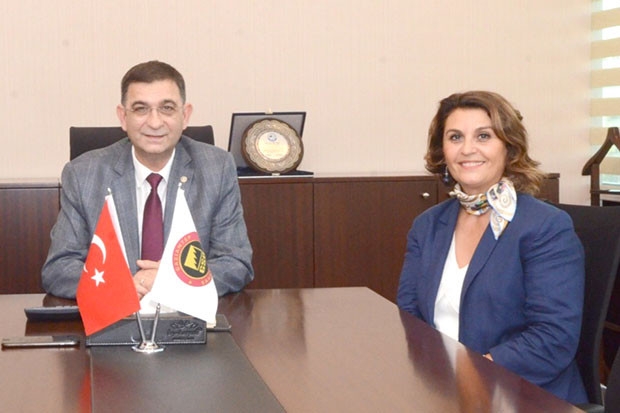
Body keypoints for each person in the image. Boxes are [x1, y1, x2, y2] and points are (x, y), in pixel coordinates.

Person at [397, 91, 587, 404]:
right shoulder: (427, 226)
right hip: (443, 391)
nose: (467, 149)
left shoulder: (545, 226)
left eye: (483, 136)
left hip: (525, 396)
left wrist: (470, 376)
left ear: (508, 147)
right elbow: (411, 319)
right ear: (442, 151)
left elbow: (553, 337)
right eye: (455, 137)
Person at [42, 60, 253, 299]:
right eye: (141, 109)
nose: (154, 122)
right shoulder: (84, 174)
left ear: (185, 116)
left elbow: (235, 263)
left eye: (167, 108)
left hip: (189, 314)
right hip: (115, 314)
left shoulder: (216, 169)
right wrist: (120, 286)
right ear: (123, 117)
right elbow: (59, 269)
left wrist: (173, 281)